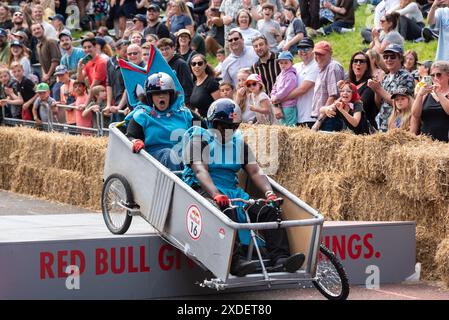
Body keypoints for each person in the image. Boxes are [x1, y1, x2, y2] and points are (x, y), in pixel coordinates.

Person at [181, 98, 306, 276]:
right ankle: (235, 261)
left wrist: (269, 193)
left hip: (232, 191)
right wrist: (215, 194)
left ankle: (281, 258)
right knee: (226, 210)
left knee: (268, 210)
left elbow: (255, 171)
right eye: (225, 126)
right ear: (213, 123)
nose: (230, 131)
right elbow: (200, 170)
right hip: (204, 188)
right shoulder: (199, 138)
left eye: (234, 127)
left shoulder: (238, 143)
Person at [126, 72, 193, 170]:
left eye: (165, 93)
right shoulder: (142, 115)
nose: (161, 96)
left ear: (171, 95)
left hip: (183, 156)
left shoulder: (184, 112)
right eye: (157, 94)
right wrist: (136, 141)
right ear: (150, 97)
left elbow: (201, 129)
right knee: (169, 154)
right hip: (154, 160)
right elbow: (129, 136)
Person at [368, 44, 415, 132]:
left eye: (392, 57)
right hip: (382, 123)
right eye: (385, 57)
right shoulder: (385, 77)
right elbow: (379, 104)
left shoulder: (406, 77)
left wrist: (379, 89)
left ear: (400, 58)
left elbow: (401, 103)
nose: (388, 59)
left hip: (398, 126)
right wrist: (376, 89)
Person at [281, 37, 319, 128]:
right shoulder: (296, 66)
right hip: (294, 115)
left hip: (309, 117)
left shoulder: (316, 66)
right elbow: (280, 83)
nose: (303, 51)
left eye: (306, 48)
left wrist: (280, 99)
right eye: (300, 48)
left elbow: (303, 89)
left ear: (313, 50)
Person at [411, 60, 449, 141]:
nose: (435, 78)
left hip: (446, 143)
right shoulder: (426, 93)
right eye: (432, 75)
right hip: (427, 142)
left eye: (438, 75)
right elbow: (415, 115)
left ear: (448, 75)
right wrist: (420, 95)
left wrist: (439, 93)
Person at [310, 41, 345, 120]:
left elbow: (333, 96)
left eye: (321, 54)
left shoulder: (332, 67)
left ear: (330, 54)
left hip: (330, 117)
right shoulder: (322, 68)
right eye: (316, 54)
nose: (318, 57)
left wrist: (319, 121)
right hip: (324, 116)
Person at [157, 38, 194, 107]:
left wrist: (186, 103)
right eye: (162, 49)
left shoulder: (181, 64)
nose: (164, 52)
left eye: (167, 48)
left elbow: (188, 86)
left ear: (173, 48)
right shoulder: (160, 66)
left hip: (180, 103)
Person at [348, 51, 378, 130]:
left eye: (361, 61)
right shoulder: (347, 83)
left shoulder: (371, 83)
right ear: (351, 65)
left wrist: (342, 105)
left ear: (367, 66)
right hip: (349, 129)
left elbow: (361, 104)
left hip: (365, 130)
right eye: (355, 61)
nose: (358, 63)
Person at [270, 51, 298, 126]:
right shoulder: (280, 75)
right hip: (281, 104)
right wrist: (272, 95)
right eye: (281, 63)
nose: (283, 65)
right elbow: (274, 86)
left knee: (290, 125)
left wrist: (277, 96)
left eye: (286, 62)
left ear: (291, 63)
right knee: (283, 125)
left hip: (289, 104)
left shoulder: (291, 75)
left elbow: (287, 89)